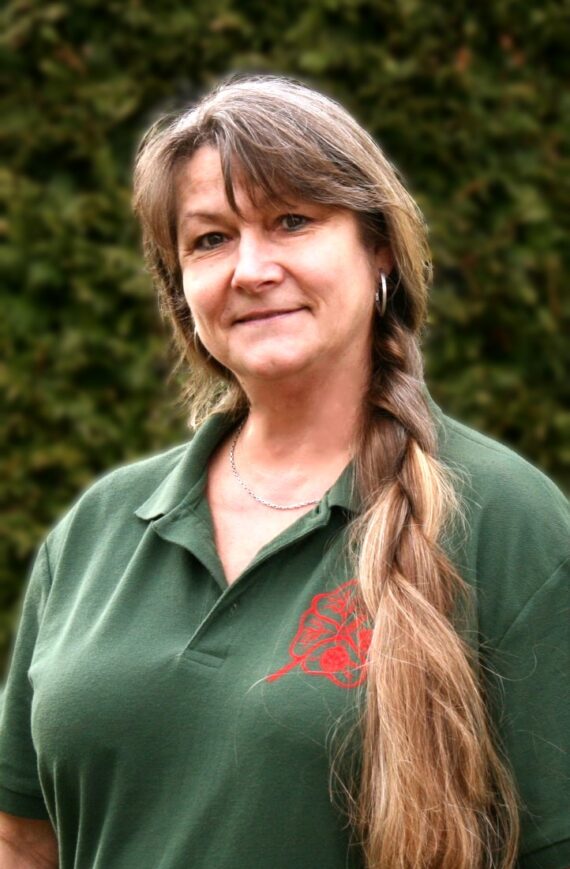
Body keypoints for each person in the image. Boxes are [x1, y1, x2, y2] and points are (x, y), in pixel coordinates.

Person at [0, 75, 568, 869]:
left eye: (292, 221)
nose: (250, 268)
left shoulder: (505, 518)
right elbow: (21, 840)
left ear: (378, 248)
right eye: (210, 239)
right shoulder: (98, 529)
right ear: (180, 287)